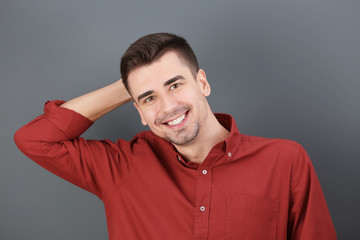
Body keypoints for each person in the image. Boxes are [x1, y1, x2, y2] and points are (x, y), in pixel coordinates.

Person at [14, 33, 336, 239]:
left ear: (203, 84)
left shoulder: (285, 161)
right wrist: (128, 86)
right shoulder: (121, 167)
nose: (168, 107)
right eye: (149, 98)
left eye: (175, 84)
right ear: (139, 111)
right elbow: (35, 139)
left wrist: (144, 86)